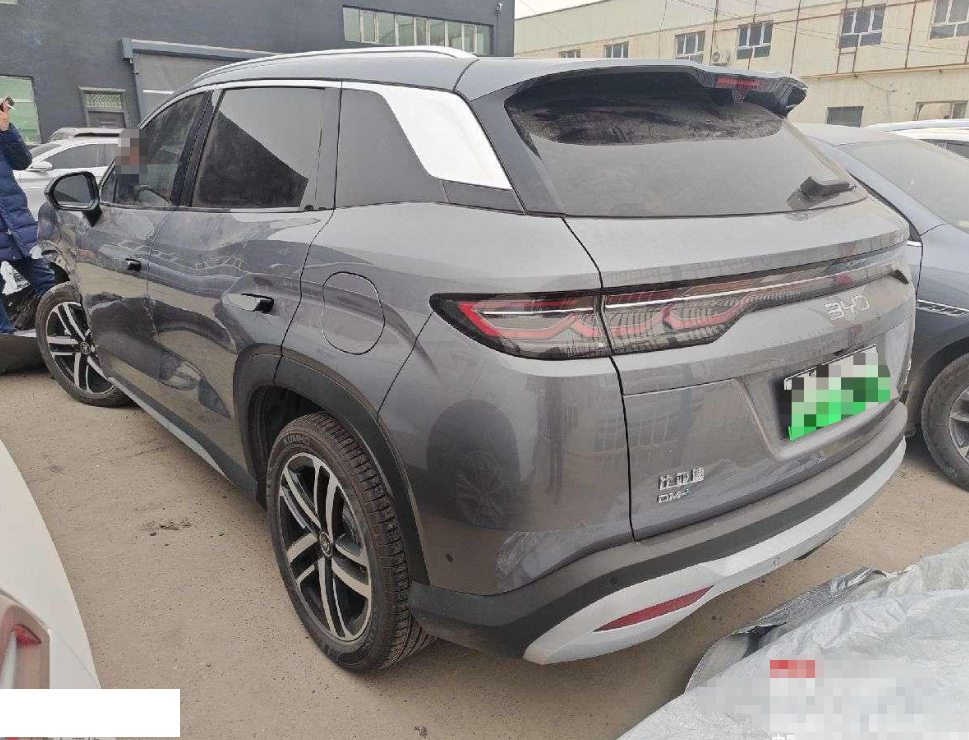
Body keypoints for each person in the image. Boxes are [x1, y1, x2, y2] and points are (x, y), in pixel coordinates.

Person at [0, 97, 56, 334]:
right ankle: (7, 343)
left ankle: (63, 329)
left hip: (14, 224)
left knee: (48, 281)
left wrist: (5, 128)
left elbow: (23, 161)